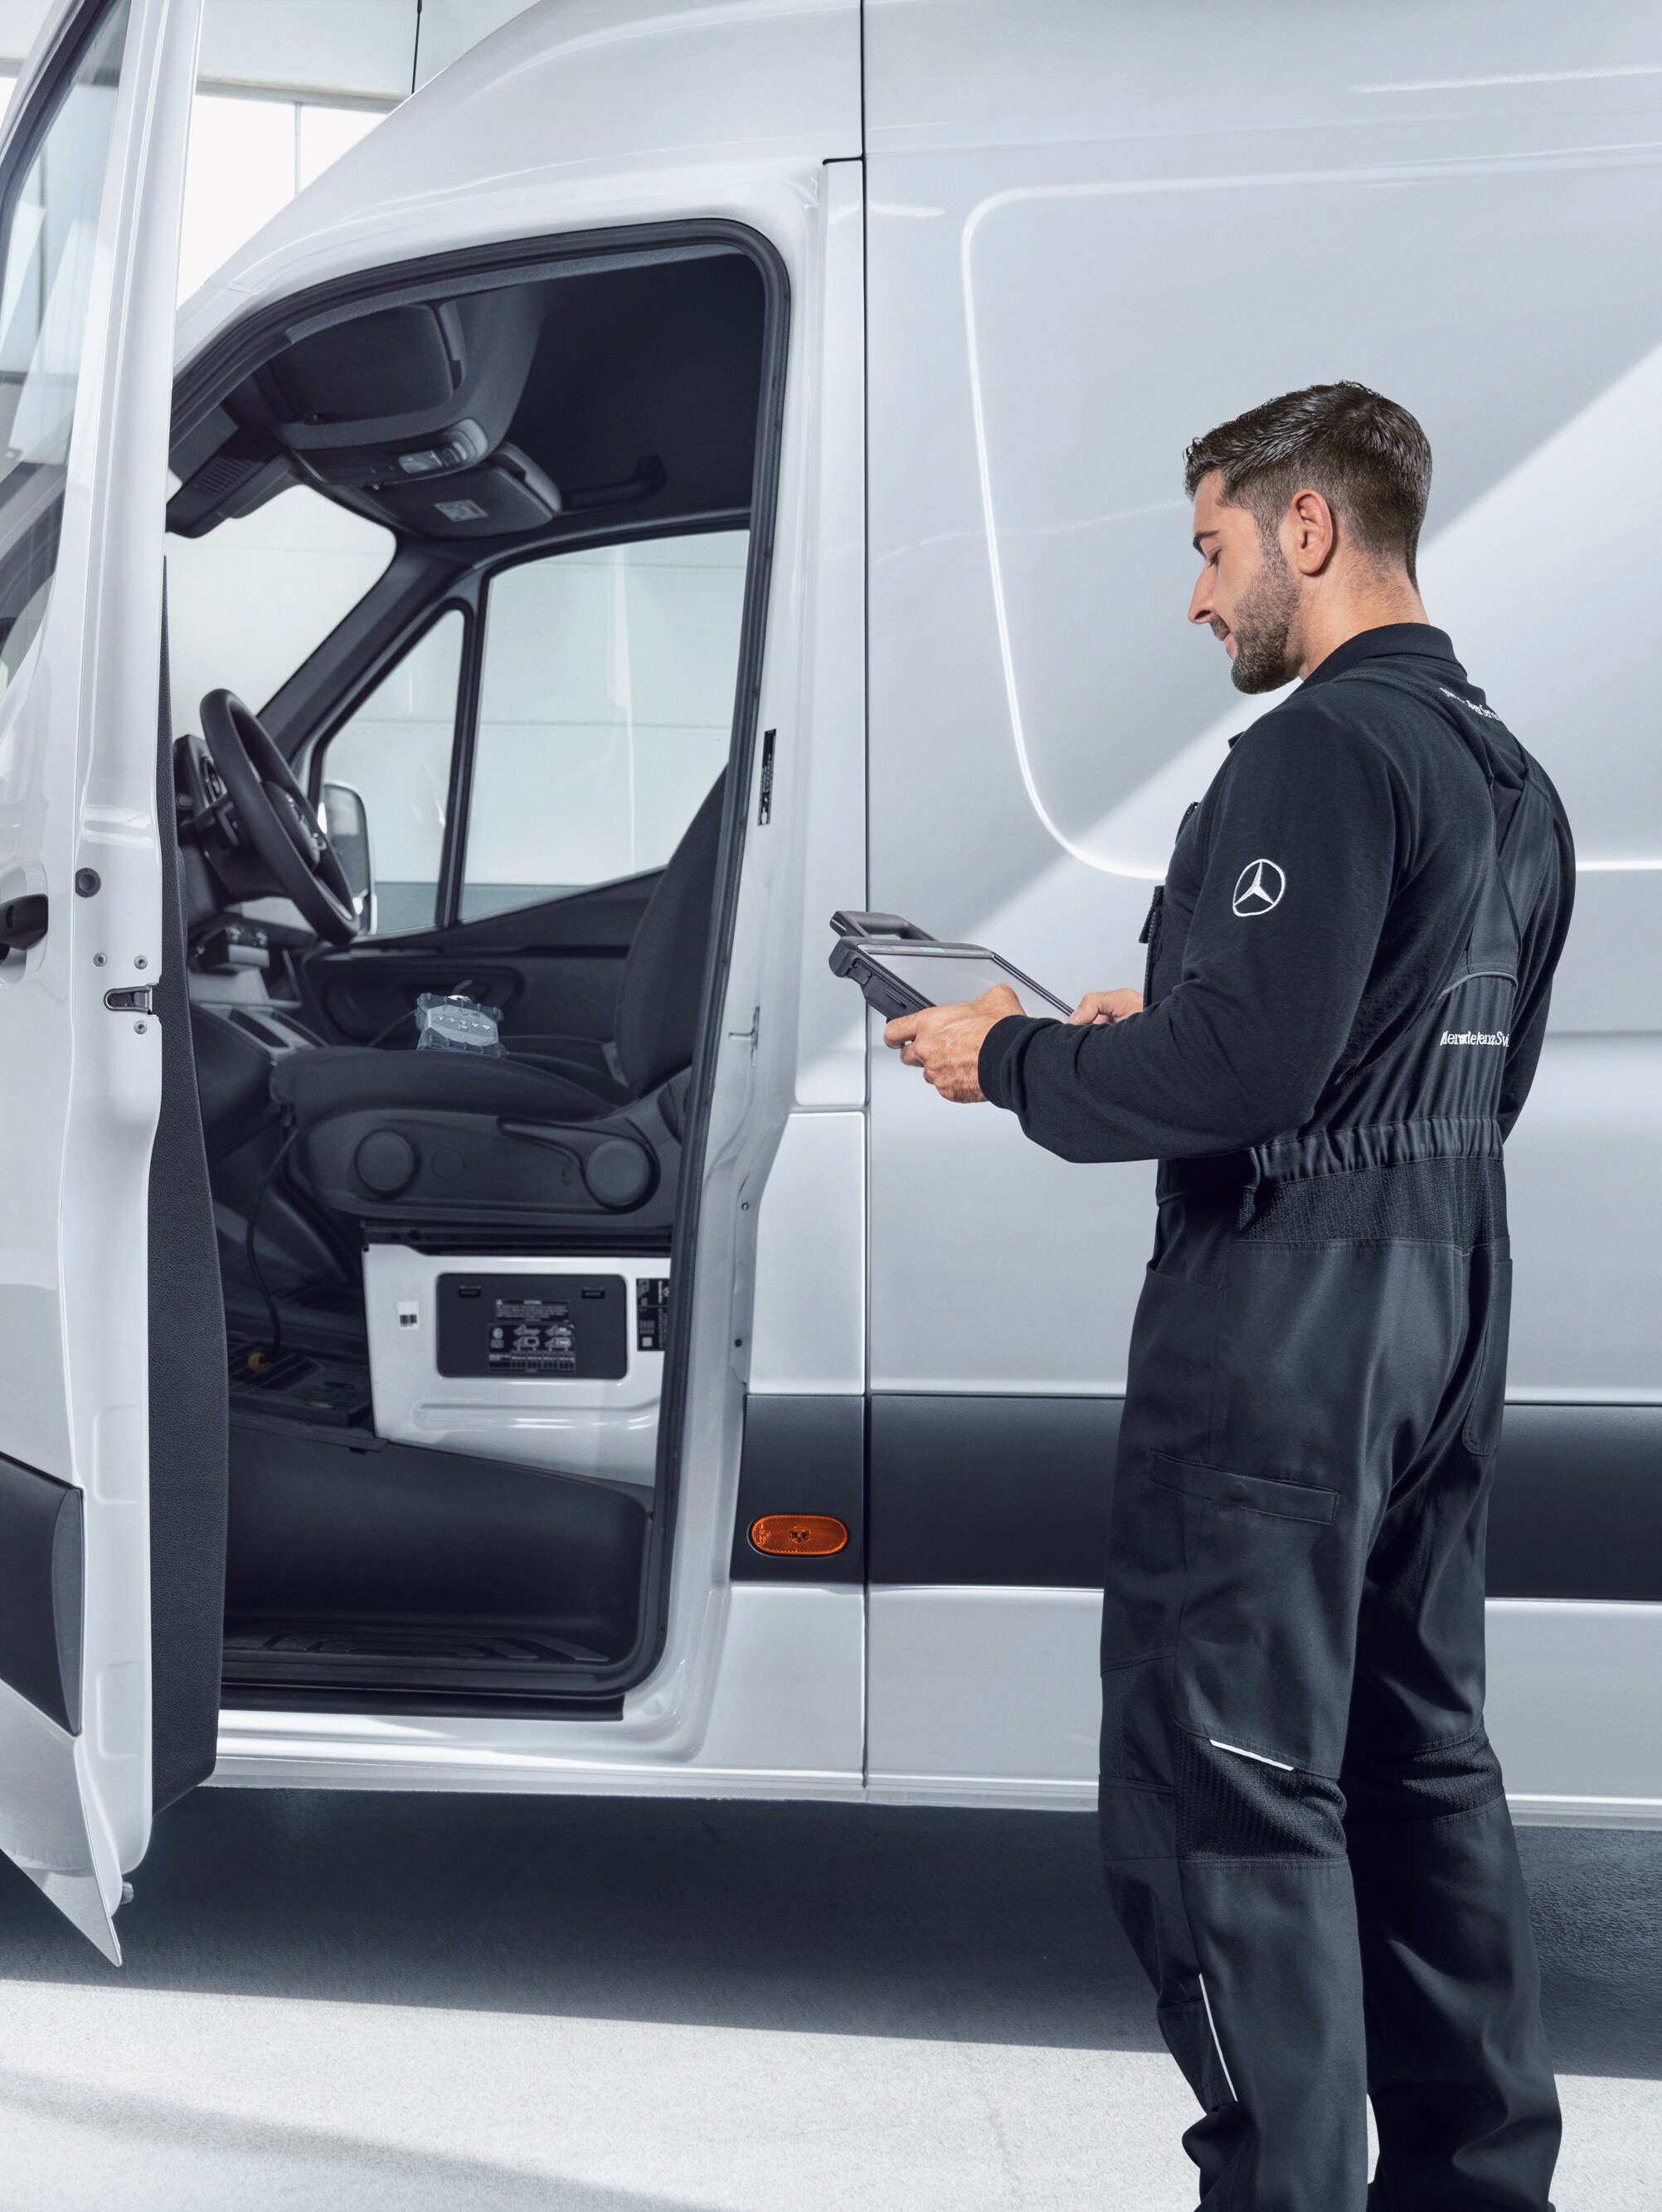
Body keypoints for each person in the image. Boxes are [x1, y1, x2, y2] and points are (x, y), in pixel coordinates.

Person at [884, 383, 1572, 2211]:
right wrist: (1156, 1032)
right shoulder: (1507, 770)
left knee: (1229, 1783)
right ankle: (1477, 2186)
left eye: (1212, 546)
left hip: (1285, 1316)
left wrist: (1016, 1053)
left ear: (1312, 528)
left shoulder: (1318, 752)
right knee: (1418, 1759)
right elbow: (1411, 1061)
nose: (1200, 597)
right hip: (1447, 1285)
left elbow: (1252, 1086)